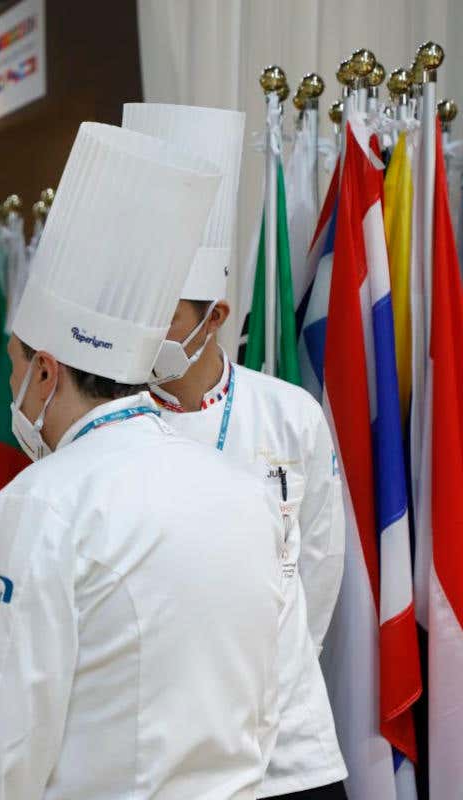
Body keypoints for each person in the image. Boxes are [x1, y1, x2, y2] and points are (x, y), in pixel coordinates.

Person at [0, 122, 285, 799]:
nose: (13, 387)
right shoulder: (243, 488)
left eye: (14, 368)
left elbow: (5, 734)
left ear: (45, 372)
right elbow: (269, 698)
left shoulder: (40, 500)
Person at [128, 102, 348, 800]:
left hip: (286, 740)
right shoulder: (108, 421)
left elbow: (319, 564)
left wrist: (261, 668)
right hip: (160, 746)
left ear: (216, 317)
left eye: (162, 308)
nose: (141, 326)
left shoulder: (288, 413)